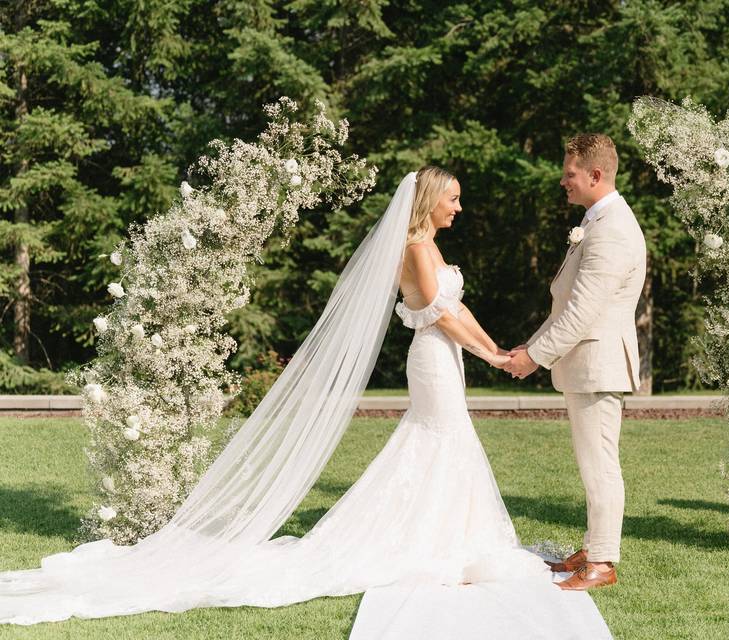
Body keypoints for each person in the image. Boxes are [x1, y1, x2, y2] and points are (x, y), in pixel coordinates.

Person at [0, 166, 611, 639]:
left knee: (444, 442)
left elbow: (460, 312)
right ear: (430, 200)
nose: (459, 205)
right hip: (432, 360)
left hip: (445, 358)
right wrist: (488, 355)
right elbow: (440, 315)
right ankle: (430, 537)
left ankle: (441, 532)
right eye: (452, 197)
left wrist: (499, 351)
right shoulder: (417, 250)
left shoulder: (432, 250)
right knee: (442, 438)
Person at [504, 134, 647, 591]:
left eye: (569, 174)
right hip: (586, 363)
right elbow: (567, 307)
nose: (563, 181)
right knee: (592, 463)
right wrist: (530, 347)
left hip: (598, 362)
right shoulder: (597, 222)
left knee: (600, 464)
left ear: (595, 175)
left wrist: (534, 358)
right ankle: (593, 547)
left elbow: (583, 311)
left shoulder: (613, 229)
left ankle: (603, 563)